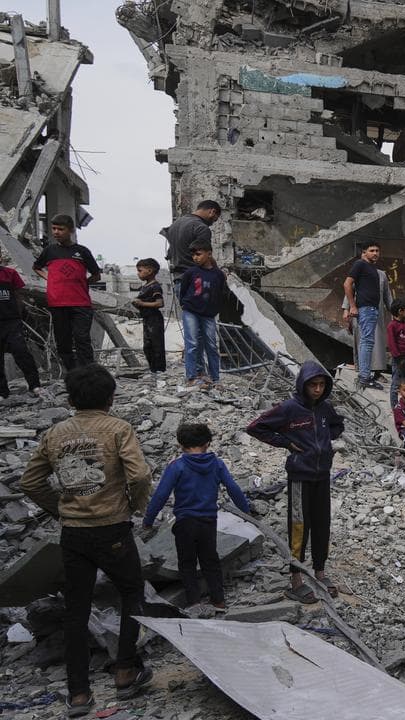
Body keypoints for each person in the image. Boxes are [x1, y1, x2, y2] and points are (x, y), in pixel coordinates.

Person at [18, 364, 153, 716]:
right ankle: (126, 670)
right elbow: (139, 475)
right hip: (113, 529)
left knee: (76, 609)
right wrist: (135, 506)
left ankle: (79, 694)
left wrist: (61, 510)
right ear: (110, 397)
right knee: (131, 594)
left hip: (74, 534)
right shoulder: (118, 429)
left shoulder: (55, 434)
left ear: (71, 398)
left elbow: (30, 482)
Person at [246, 360, 345, 604]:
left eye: (322, 385)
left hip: (322, 476)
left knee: (322, 525)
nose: (318, 389)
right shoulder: (289, 409)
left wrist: (324, 441)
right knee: (300, 526)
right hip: (300, 477)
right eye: (313, 385)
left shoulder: (324, 409)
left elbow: (337, 424)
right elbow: (256, 427)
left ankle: (320, 571)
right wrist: (287, 443)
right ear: (303, 385)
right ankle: (296, 579)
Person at [142, 423, 252, 609]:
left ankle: (194, 602)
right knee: (210, 560)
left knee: (187, 563)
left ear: (181, 444)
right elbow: (233, 488)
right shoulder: (217, 464)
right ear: (208, 443)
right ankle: (218, 600)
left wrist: (148, 521)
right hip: (208, 521)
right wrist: (246, 511)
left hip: (185, 522)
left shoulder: (177, 466)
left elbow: (161, 495)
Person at [33, 214, 101, 371]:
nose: (56, 232)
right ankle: (72, 373)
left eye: (60, 229)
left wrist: (83, 283)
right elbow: (37, 267)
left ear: (70, 230)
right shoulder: (49, 251)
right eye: (54, 229)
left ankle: (89, 372)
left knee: (82, 339)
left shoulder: (82, 252)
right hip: (57, 303)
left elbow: (96, 275)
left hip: (80, 303)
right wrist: (49, 278)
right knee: (63, 342)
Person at [178, 241, 224, 389]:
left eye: (198, 254)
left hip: (208, 315)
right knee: (191, 344)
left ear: (209, 253)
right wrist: (184, 304)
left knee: (211, 345)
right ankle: (191, 377)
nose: (195, 258)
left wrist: (214, 310)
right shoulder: (191, 272)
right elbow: (183, 290)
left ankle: (215, 378)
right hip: (191, 311)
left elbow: (220, 294)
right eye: (193, 255)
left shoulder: (218, 275)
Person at [0, 252, 45, 399]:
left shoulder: (10, 274)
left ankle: (34, 385)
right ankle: (2, 392)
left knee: (21, 351)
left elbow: (19, 294)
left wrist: (18, 314)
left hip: (11, 321)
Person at [343, 241, 383, 389]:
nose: (375, 253)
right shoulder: (360, 264)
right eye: (372, 250)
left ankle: (364, 375)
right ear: (364, 252)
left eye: (377, 250)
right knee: (367, 342)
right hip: (365, 308)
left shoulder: (371, 267)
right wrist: (352, 306)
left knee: (366, 342)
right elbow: (347, 284)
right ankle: (365, 377)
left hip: (371, 309)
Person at [163, 200, 222, 299]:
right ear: (212, 211)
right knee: (203, 314)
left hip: (179, 282)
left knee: (188, 313)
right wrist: (218, 273)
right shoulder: (201, 228)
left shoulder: (175, 225)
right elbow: (205, 257)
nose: (212, 223)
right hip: (197, 282)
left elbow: (170, 254)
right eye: (214, 220)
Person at [133, 258, 166, 373]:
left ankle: (160, 371)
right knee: (147, 347)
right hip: (147, 319)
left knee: (157, 347)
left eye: (140, 270)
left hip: (154, 319)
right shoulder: (145, 286)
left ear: (150, 271)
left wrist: (142, 303)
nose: (138, 273)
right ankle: (153, 371)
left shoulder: (155, 286)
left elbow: (160, 303)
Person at [387, 300, 405, 406]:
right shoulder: (392, 326)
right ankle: (394, 406)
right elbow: (392, 344)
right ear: (400, 311)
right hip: (400, 359)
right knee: (396, 382)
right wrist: (398, 357)